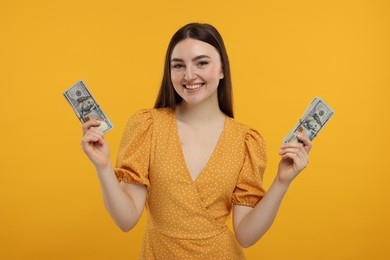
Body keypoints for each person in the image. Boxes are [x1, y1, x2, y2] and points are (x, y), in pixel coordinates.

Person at [81, 23, 312, 259]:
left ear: (222, 68)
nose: (189, 75)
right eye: (178, 65)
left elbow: (246, 235)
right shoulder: (147, 126)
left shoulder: (246, 141)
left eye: (202, 63)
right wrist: (104, 167)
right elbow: (126, 219)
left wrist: (282, 182)